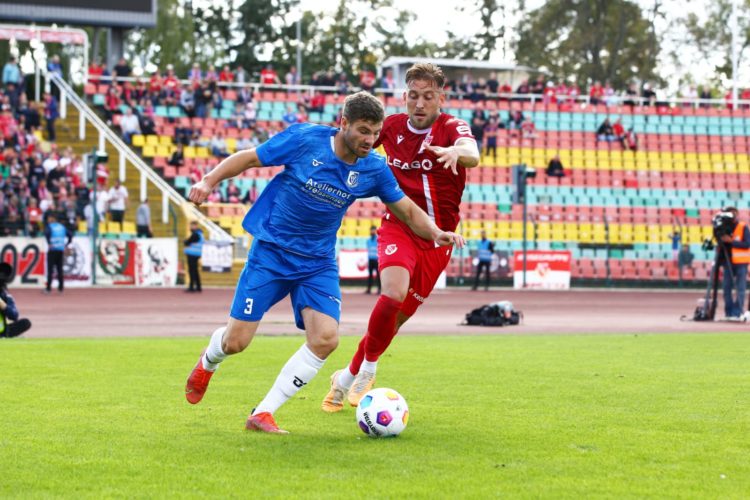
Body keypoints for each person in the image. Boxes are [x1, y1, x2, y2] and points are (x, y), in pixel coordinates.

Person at [183, 91, 465, 434]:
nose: (369, 140)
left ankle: (264, 413)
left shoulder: (373, 168)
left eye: (375, 133)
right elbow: (250, 158)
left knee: (326, 339)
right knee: (236, 342)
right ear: (343, 123)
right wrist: (208, 180)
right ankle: (208, 361)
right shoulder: (305, 140)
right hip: (271, 252)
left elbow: (404, 208)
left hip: (317, 263)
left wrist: (436, 232)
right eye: (363, 131)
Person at [321, 63, 479, 413]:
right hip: (399, 223)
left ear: (441, 97)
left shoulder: (452, 127)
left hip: (439, 238)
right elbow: (351, 142)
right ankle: (370, 369)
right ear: (405, 96)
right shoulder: (390, 126)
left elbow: (473, 152)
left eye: (428, 97)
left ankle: (345, 378)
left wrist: (458, 153)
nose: (420, 104)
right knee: (392, 294)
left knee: (395, 319)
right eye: (414, 96)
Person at [719, 207, 750, 319]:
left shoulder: (743, 227)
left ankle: (737, 312)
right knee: (726, 288)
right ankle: (729, 312)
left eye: (733, 214)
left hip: (741, 263)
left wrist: (732, 241)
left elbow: (747, 244)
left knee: (740, 289)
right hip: (728, 262)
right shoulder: (724, 228)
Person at [43, 212, 72, 294]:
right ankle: (61, 288)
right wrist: (66, 244)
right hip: (60, 250)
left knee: (50, 270)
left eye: (49, 218)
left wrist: (49, 243)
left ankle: (48, 288)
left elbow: (46, 234)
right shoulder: (62, 227)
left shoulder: (50, 227)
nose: (48, 220)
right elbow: (70, 235)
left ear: (53, 218)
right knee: (60, 269)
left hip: (52, 250)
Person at [0, 262, 31, 338]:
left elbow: (14, 315)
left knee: (25, 323)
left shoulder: (5, 295)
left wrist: (3, 305)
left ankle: (5, 336)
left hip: (2, 332)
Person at [183, 221, 203, 293]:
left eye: (192, 226)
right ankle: (198, 286)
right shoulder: (200, 234)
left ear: (195, 226)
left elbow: (187, 242)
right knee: (195, 271)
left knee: (192, 271)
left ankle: (191, 287)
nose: (190, 227)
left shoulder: (195, 234)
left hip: (192, 254)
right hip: (197, 253)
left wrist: (186, 241)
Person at [365, 225, 380, 294]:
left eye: (373, 230)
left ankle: (379, 289)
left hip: (377, 260)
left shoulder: (378, 239)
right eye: (371, 230)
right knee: (370, 275)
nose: (372, 231)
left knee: (378, 275)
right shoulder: (368, 240)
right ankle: (369, 289)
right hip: (370, 259)